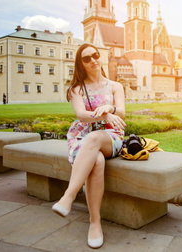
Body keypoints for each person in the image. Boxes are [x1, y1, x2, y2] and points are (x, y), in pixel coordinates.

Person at [52, 43, 126, 249]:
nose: (93, 60)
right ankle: (95, 223)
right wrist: (103, 114)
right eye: (87, 58)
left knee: (94, 140)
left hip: (110, 135)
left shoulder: (115, 86)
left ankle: (69, 196)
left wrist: (110, 108)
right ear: (80, 64)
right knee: (97, 160)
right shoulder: (77, 88)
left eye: (95, 55)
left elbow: (122, 112)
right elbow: (81, 116)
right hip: (82, 135)